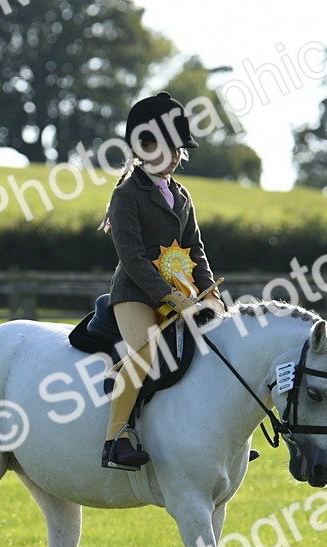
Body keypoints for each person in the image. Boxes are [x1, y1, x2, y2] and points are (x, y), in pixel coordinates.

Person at [98, 92, 223, 470]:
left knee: (217, 347)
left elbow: (196, 249)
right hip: (136, 293)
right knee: (145, 353)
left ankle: (216, 436)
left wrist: (211, 293)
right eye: (167, 148)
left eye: (177, 150)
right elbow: (132, 257)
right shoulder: (126, 195)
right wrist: (168, 296)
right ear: (142, 146)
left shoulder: (182, 195)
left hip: (184, 293)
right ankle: (116, 439)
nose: (174, 156)